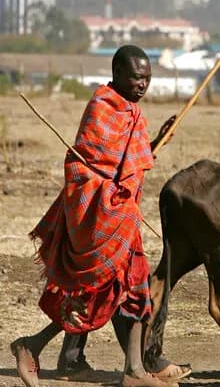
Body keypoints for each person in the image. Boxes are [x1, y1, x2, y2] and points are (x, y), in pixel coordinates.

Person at [9, 45, 188, 387]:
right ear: (118, 73)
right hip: (100, 217)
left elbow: (127, 165)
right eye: (137, 77)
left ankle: (133, 370)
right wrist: (111, 191)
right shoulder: (101, 108)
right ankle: (33, 345)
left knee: (134, 289)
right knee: (94, 292)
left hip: (124, 219)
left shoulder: (133, 114)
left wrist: (153, 144)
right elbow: (84, 169)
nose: (142, 84)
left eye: (147, 78)